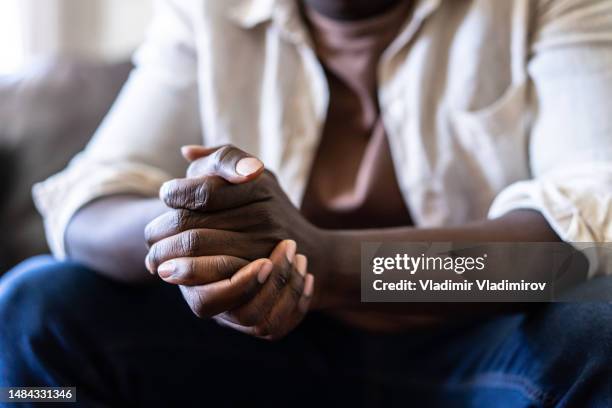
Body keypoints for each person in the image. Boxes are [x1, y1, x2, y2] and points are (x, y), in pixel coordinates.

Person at [1, 0, 612, 406]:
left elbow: (579, 235)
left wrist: (323, 260)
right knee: (36, 305)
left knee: (599, 328)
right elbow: (90, 200)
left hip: (477, 346)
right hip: (262, 353)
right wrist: (202, 238)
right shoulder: (210, 12)